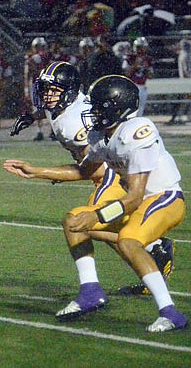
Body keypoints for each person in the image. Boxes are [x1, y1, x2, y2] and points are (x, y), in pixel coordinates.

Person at [10, 75, 187, 332]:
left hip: (164, 198)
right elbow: (84, 170)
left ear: (116, 109)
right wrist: (37, 171)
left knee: (128, 241)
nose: (91, 112)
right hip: (136, 202)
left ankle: (170, 312)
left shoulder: (137, 131)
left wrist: (98, 216)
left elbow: (135, 196)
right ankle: (90, 291)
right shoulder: (101, 135)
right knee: (73, 222)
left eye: (97, 107)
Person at [24, 37, 51, 141]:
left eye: (41, 46)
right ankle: (39, 131)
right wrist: (26, 89)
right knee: (38, 109)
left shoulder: (49, 56)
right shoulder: (31, 57)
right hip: (36, 85)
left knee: (50, 108)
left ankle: (52, 131)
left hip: (48, 85)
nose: (40, 49)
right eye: (37, 46)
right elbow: (27, 73)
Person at [122, 37, 153, 116]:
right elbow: (126, 73)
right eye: (139, 47)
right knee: (131, 109)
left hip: (142, 86)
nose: (141, 50)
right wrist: (135, 65)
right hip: (131, 85)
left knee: (140, 109)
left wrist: (146, 68)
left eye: (143, 48)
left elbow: (150, 75)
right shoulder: (129, 58)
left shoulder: (147, 59)